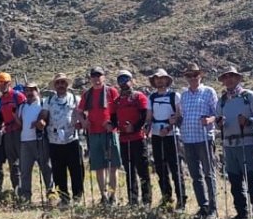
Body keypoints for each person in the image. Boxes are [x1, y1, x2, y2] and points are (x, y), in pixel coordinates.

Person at [217, 66, 253, 219]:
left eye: (232, 76)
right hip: (229, 144)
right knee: (235, 180)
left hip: (247, 141)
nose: (229, 79)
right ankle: (241, 213)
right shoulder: (222, 100)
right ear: (223, 81)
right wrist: (219, 122)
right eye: (226, 77)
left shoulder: (248, 96)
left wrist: (249, 121)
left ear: (238, 78)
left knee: (251, 178)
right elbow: (218, 121)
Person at [178, 63, 219, 219]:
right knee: (196, 176)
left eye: (195, 75)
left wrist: (210, 119)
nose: (192, 78)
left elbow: (217, 114)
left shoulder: (209, 92)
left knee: (209, 174)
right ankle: (203, 206)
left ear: (200, 76)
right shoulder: (184, 95)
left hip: (204, 138)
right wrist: (177, 119)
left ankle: (213, 209)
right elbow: (183, 115)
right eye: (189, 75)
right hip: (188, 139)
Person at [78, 66, 121, 206]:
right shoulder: (87, 94)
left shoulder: (111, 91)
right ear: (91, 78)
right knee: (98, 166)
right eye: (94, 76)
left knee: (113, 166)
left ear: (104, 77)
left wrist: (113, 125)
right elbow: (79, 111)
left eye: (99, 75)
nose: (96, 78)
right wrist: (83, 121)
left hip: (109, 132)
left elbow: (119, 110)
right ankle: (103, 196)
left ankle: (112, 196)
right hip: (93, 133)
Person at [146, 69, 185, 211]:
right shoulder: (151, 97)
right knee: (160, 168)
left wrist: (168, 128)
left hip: (172, 135)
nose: (160, 81)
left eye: (162, 78)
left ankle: (181, 200)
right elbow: (149, 117)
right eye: (157, 79)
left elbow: (179, 116)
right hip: (156, 135)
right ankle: (166, 198)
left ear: (167, 80)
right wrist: (147, 127)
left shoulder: (175, 96)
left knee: (175, 169)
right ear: (154, 81)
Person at [114, 70, 152, 206]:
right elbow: (113, 119)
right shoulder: (117, 101)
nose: (123, 83)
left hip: (138, 137)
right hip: (124, 140)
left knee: (142, 170)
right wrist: (109, 125)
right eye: (120, 80)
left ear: (132, 80)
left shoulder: (139, 97)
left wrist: (134, 127)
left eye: (126, 79)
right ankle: (133, 200)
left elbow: (144, 116)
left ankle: (147, 201)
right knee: (129, 170)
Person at [45, 73, 84, 206]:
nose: (61, 85)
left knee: (76, 170)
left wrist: (82, 123)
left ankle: (78, 197)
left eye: (63, 82)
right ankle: (64, 198)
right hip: (54, 140)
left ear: (67, 85)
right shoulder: (48, 101)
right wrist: (40, 122)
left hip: (72, 139)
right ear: (55, 86)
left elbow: (81, 114)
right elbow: (44, 115)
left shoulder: (75, 98)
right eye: (58, 83)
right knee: (58, 171)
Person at [17, 83, 52, 204]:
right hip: (25, 141)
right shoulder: (22, 107)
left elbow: (45, 119)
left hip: (40, 140)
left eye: (32, 90)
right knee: (25, 171)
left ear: (37, 91)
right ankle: (26, 197)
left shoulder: (43, 103)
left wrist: (40, 123)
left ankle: (51, 194)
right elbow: (21, 123)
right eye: (27, 90)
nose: (29, 93)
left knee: (46, 168)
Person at [0, 72, 26, 197]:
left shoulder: (18, 96)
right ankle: (16, 189)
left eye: (3, 83)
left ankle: (25, 188)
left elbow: (25, 113)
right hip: (8, 132)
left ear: (9, 83)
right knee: (12, 162)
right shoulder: (1, 99)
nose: (1, 85)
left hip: (19, 131)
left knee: (23, 161)